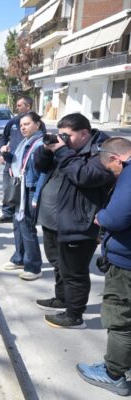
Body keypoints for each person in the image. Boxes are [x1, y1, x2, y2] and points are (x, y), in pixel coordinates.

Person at [34, 113, 115, 329]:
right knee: (58, 264)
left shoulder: (103, 151)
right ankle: (62, 298)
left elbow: (85, 176)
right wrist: (46, 149)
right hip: (54, 219)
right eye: (61, 135)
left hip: (78, 222)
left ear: (84, 133)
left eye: (67, 135)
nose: (64, 139)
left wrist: (62, 151)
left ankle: (74, 315)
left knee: (74, 271)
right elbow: (39, 166)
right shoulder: (68, 148)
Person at [76, 137, 131, 396]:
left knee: (120, 319)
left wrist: (101, 216)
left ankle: (113, 374)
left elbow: (116, 218)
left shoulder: (129, 174)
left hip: (126, 264)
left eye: (112, 170)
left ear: (116, 158)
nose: (113, 174)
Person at [2, 112, 45, 281]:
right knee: (18, 223)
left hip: (29, 188)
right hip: (20, 187)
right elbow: (17, 161)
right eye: (21, 125)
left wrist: (36, 195)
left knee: (27, 226)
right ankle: (19, 258)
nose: (23, 128)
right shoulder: (25, 141)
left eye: (27, 124)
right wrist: (7, 155)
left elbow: (41, 171)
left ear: (37, 124)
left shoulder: (40, 142)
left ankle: (33, 266)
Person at [0, 96, 45, 224]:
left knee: (22, 189)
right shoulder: (13, 122)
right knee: (8, 188)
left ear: (28, 106)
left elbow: (42, 141)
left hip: (26, 163)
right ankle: (7, 213)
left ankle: (23, 213)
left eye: (19, 105)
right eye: (17, 105)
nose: (16, 108)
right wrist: (2, 150)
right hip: (11, 159)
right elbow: (4, 137)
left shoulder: (38, 123)